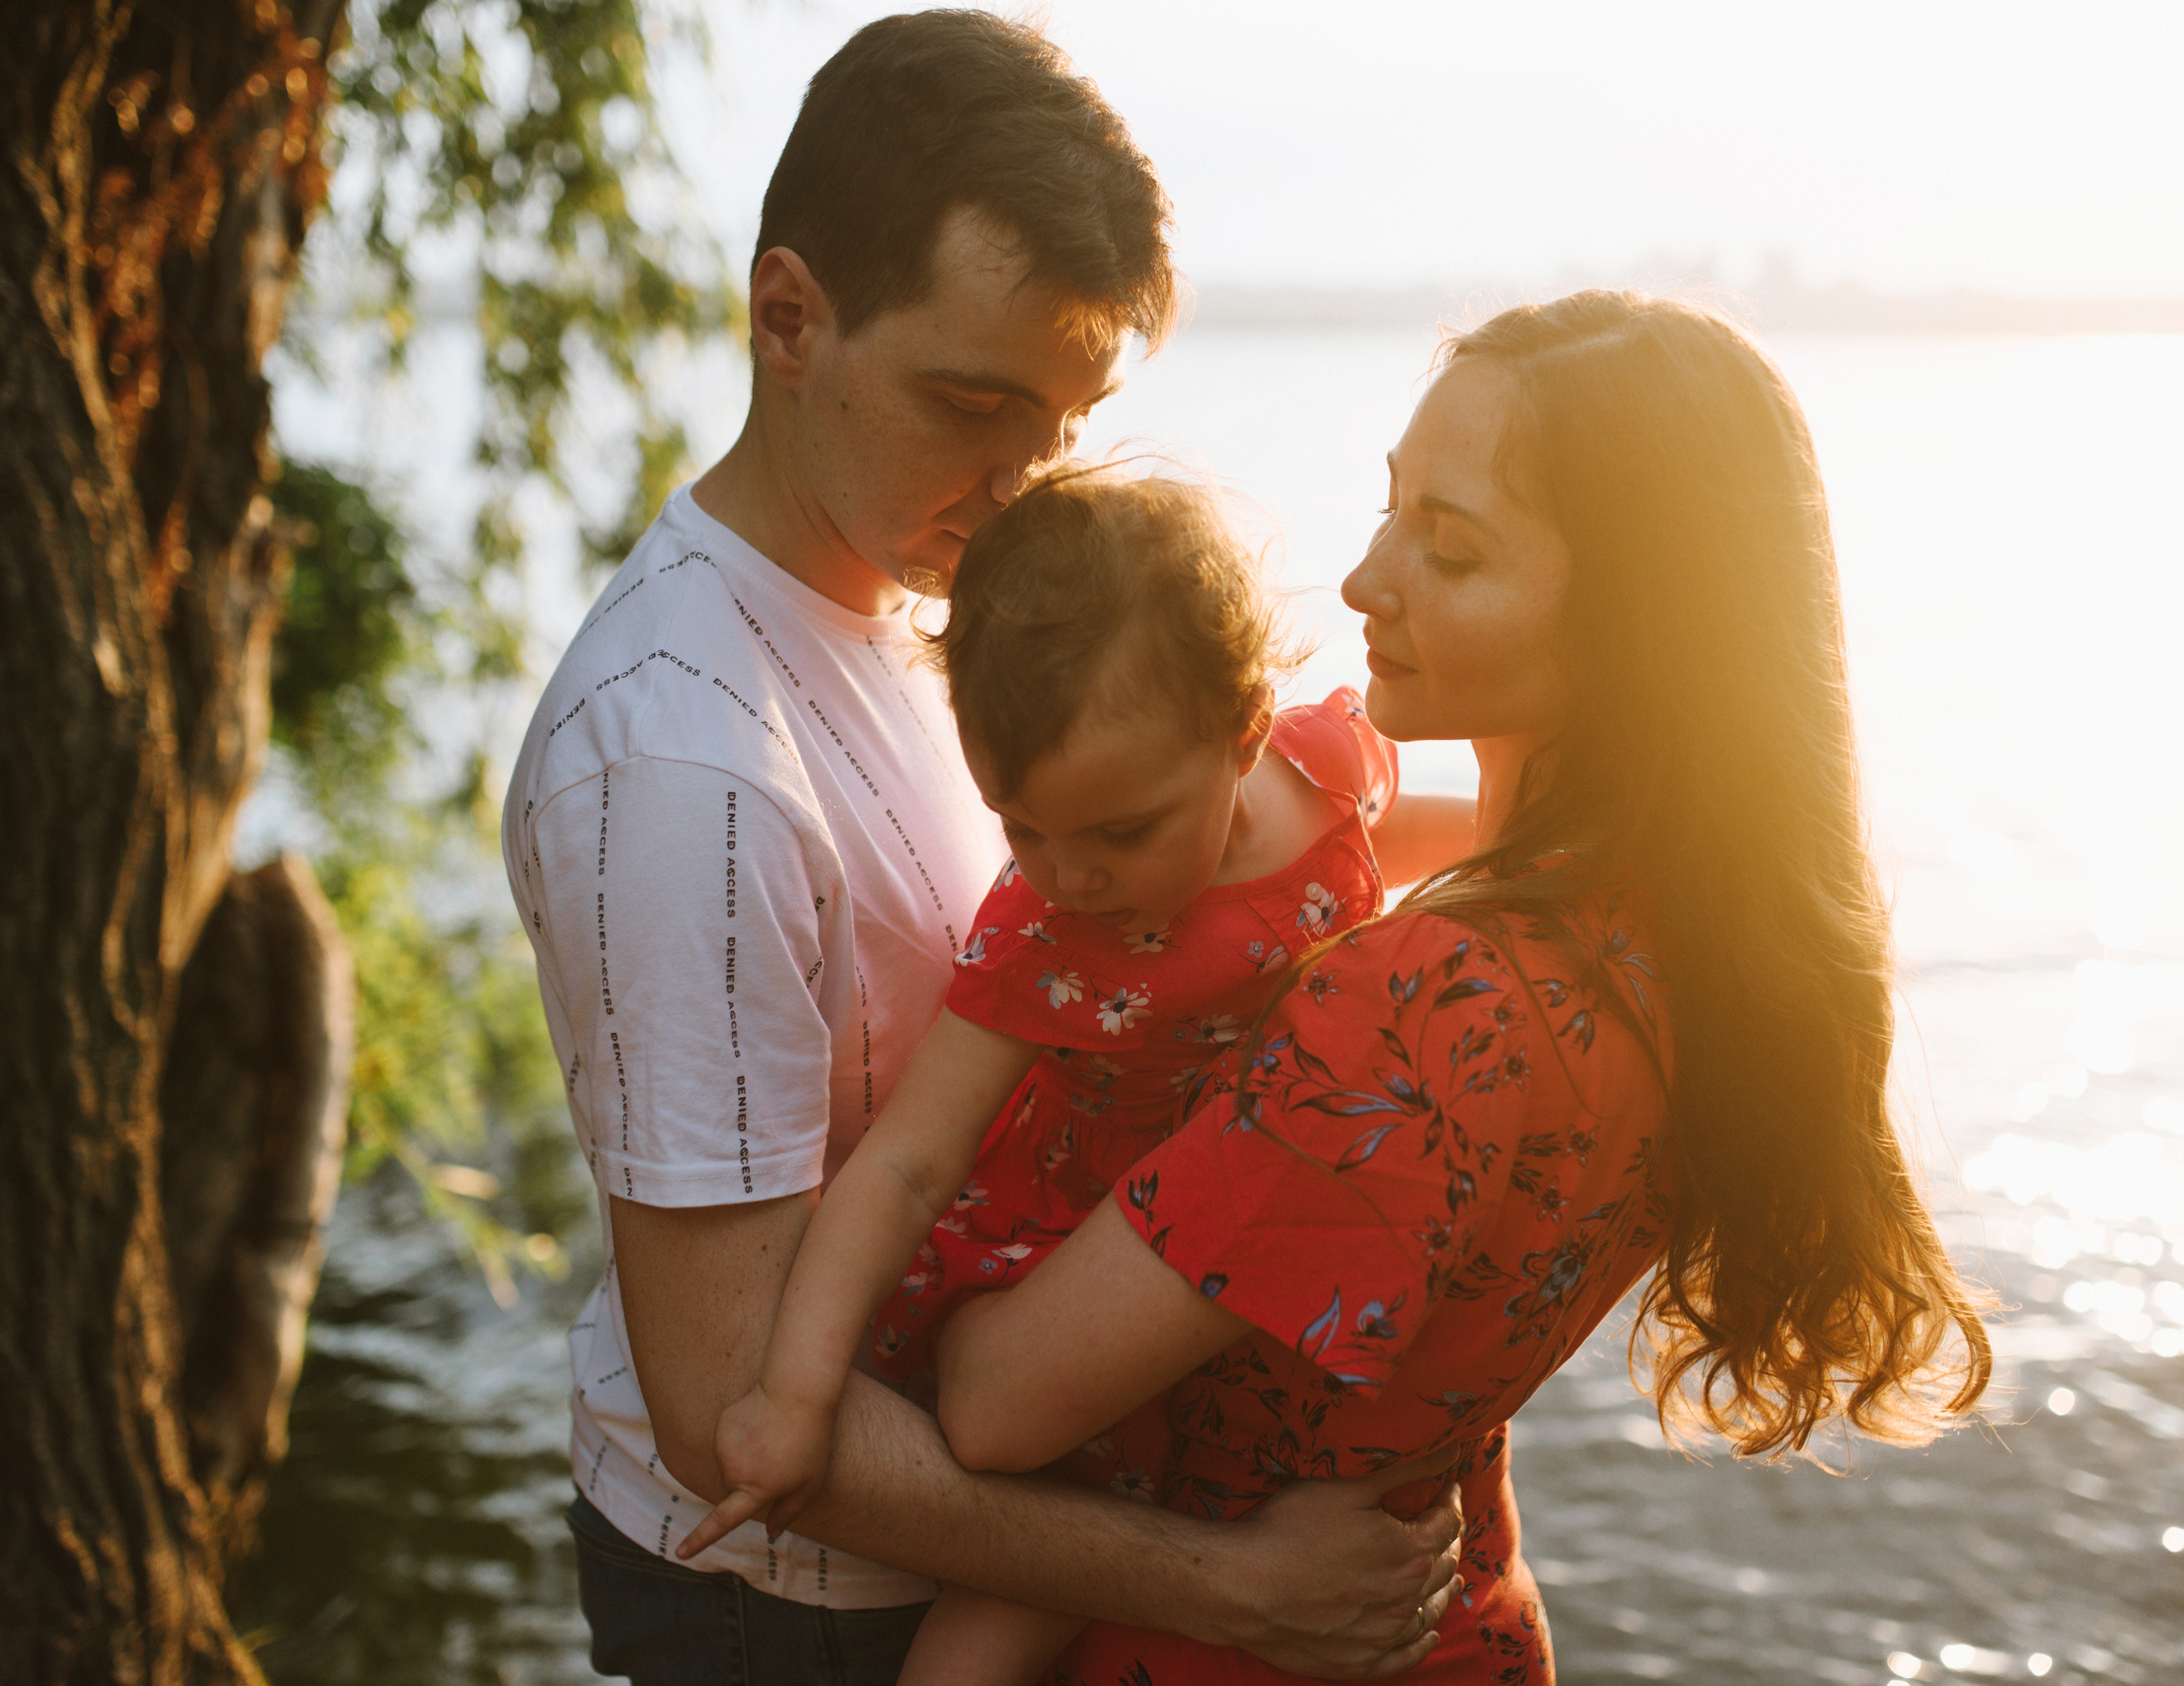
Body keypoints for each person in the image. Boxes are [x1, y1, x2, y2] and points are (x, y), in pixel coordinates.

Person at [501, 14, 1459, 1683]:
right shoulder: (683, 763)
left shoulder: (922, 592)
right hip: (796, 1614)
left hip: (982, 1528)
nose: (1026, 489)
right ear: (789, 317)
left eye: (1068, 419)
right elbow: (732, 1393)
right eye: (973, 403)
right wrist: (1223, 1581)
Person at [908, 291, 1997, 1682]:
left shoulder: (1421, 1001)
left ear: (1634, 631)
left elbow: (996, 1409)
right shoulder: (1699, 947)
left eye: (1453, 549)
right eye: (1392, 507)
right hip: (1457, 1622)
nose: (1367, 581)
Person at [669, 470, 1481, 1684]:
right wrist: (794, 1394)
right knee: (1002, 1625)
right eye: (1021, 827)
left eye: (1120, 831)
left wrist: (1541, 854)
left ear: (1243, 729)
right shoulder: (1042, 937)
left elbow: (1389, 832)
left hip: (1245, 1246)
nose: (1070, 876)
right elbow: (904, 1162)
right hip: (1077, 1266)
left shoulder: (1321, 773)